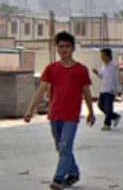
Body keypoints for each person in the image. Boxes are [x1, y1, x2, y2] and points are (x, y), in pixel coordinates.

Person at [23, 31, 96, 190]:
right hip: (55, 115)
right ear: (57, 48)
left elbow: (86, 92)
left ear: (73, 48)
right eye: (61, 46)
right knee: (61, 148)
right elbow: (41, 90)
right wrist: (30, 110)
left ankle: (58, 178)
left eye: (67, 46)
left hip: (71, 116)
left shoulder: (80, 70)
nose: (64, 49)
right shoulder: (51, 69)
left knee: (65, 147)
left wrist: (91, 111)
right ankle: (74, 173)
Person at [95, 48, 122, 130]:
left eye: (103, 55)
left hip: (110, 89)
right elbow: (102, 76)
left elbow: (117, 78)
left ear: (108, 56)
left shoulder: (114, 66)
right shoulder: (103, 66)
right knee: (100, 105)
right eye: (101, 56)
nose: (102, 57)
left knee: (108, 107)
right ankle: (115, 116)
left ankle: (107, 124)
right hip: (103, 89)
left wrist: (118, 89)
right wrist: (97, 73)